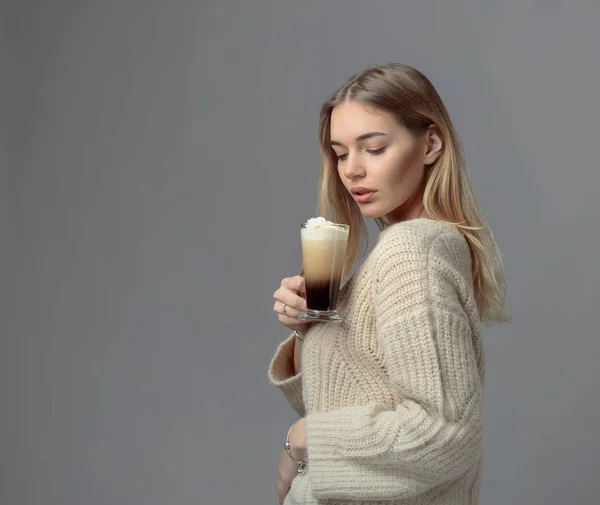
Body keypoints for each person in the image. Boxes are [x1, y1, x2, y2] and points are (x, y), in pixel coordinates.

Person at [268, 63, 509, 505]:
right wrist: (309, 331)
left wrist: (302, 441)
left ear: (431, 144)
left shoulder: (410, 252)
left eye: (374, 148)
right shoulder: (408, 251)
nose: (352, 170)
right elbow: (348, 403)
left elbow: (443, 432)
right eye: (340, 153)